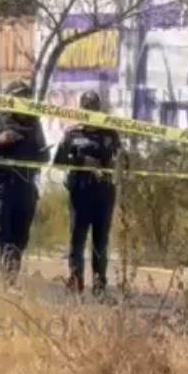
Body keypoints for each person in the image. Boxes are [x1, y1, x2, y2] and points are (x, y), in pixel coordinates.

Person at [0, 79, 47, 280]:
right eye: (21, 97)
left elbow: (43, 155)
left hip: (27, 188)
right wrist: (0, 139)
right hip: (2, 187)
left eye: (28, 97)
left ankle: (9, 282)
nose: (26, 101)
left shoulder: (34, 124)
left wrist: (41, 156)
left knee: (19, 239)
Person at [52, 90, 121, 296]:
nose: (90, 110)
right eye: (87, 107)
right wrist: (81, 161)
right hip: (80, 192)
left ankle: (100, 285)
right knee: (77, 239)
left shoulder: (110, 133)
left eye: (94, 106)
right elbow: (58, 162)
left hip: (103, 192)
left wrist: (112, 166)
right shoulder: (73, 134)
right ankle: (75, 280)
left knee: (101, 240)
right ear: (81, 109)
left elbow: (119, 160)